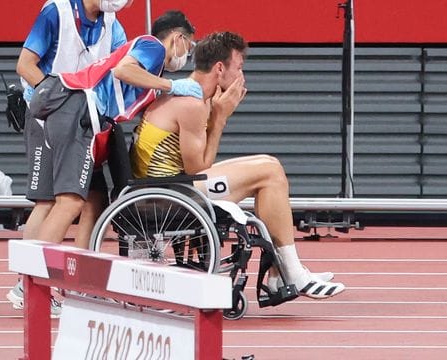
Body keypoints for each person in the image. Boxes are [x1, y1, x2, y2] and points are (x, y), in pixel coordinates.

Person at [130, 31, 345, 299]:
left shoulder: (195, 95)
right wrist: (219, 120)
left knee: (269, 165)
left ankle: (282, 274)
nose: (242, 76)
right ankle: (292, 273)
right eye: (239, 67)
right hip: (170, 193)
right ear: (220, 68)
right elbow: (197, 169)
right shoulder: (191, 104)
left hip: (171, 184)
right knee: (269, 171)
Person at [28, 10, 203, 246]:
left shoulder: (151, 75)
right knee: (70, 202)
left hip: (84, 117)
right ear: (177, 38)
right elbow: (123, 70)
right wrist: (171, 86)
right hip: (78, 110)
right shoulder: (153, 47)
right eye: (189, 47)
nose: (187, 55)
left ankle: (79, 273)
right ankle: (34, 279)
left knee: (96, 200)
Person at [8, 0, 133, 314]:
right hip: (48, 118)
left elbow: (122, 66)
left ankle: (82, 284)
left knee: (94, 198)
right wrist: (57, 97)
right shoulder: (57, 12)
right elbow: (25, 65)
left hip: (86, 121)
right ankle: (29, 284)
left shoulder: (111, 22)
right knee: (50, 201)